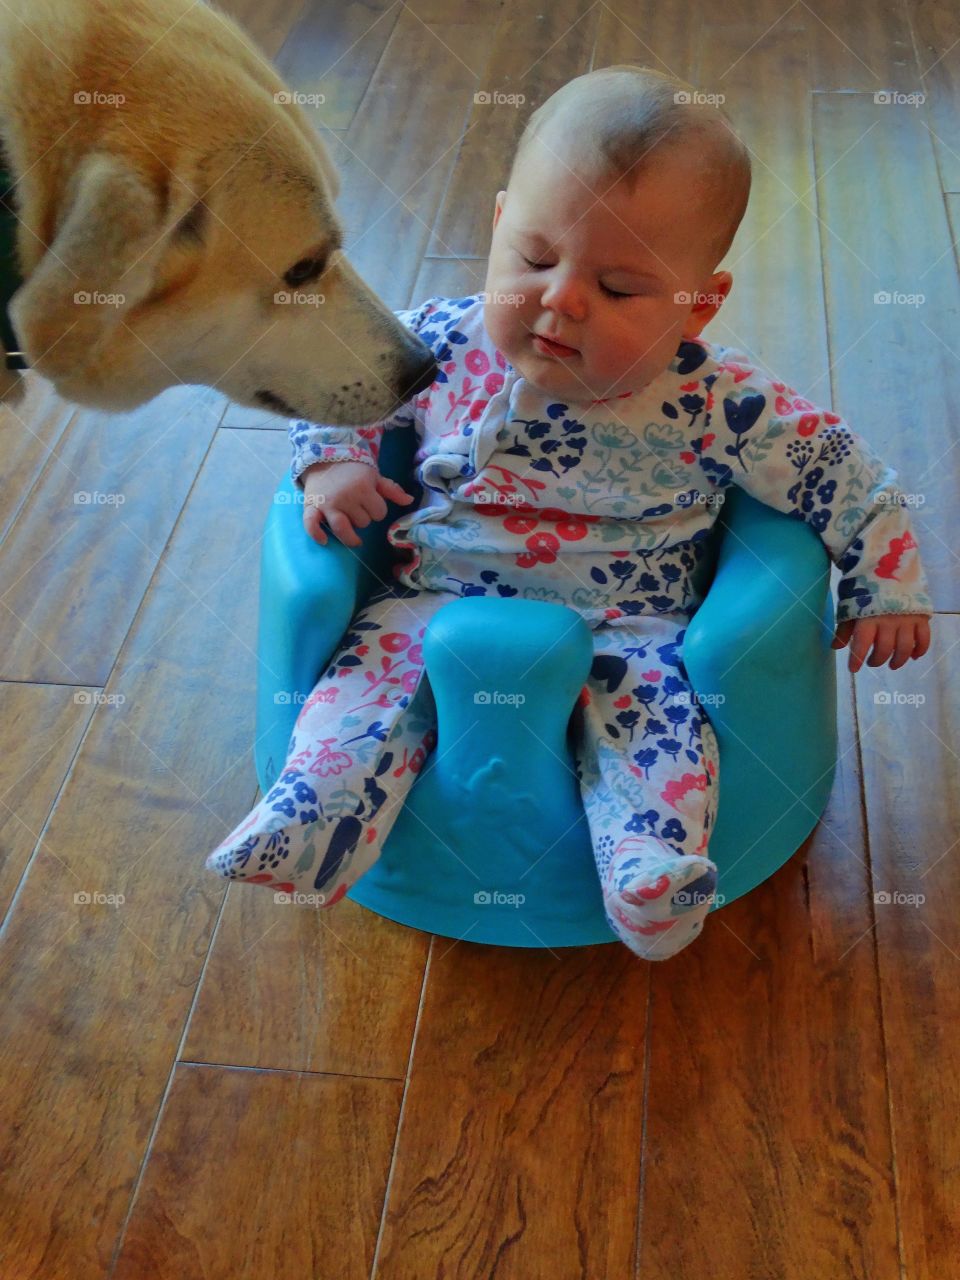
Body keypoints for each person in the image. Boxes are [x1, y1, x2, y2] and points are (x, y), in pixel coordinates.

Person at [205, 64, 932, 960]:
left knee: (657, 738)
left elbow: (842, 472)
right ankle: (309, 821)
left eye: (619, 289)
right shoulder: (439, 340)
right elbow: (336, 376)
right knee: (364, 697)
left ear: (697, 305)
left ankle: (649, 877)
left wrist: (884, 588)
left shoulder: (718, 401)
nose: (561, 300)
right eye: (535, 259)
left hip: (632, 627)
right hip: (433, 602)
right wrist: (334, 463)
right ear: (499, 222)